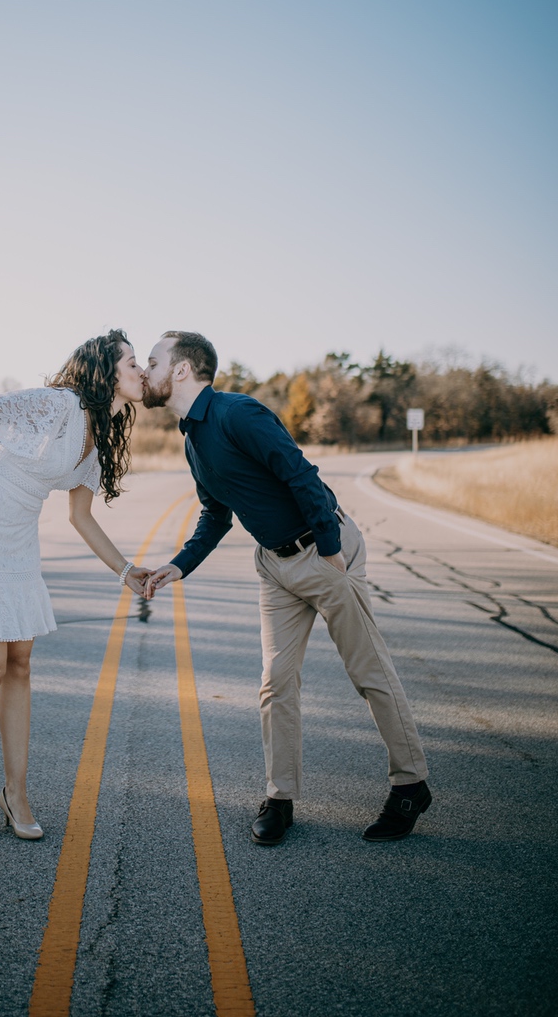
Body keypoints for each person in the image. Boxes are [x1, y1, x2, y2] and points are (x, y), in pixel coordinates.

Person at [142, 331, 431, 846]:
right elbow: (215, 513)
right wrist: (179, 564)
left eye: (154, 361)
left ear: (182, 370)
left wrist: (329, 546)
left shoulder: (238, 414)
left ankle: (410, 785)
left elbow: (301, 473)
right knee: (276, 681)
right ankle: (280, 798)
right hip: (274, 567)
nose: (146, 371)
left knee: (367, 671)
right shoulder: (192, 439)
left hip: (321, 555)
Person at [0, 331, 151, 840]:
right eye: (133, 361)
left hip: (19, 546)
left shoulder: (100, 431)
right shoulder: (58, 404)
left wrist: (126, 571)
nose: (141, 370)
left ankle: (15, 792)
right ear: (106, 370)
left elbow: (81, 517)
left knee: (19, 664)